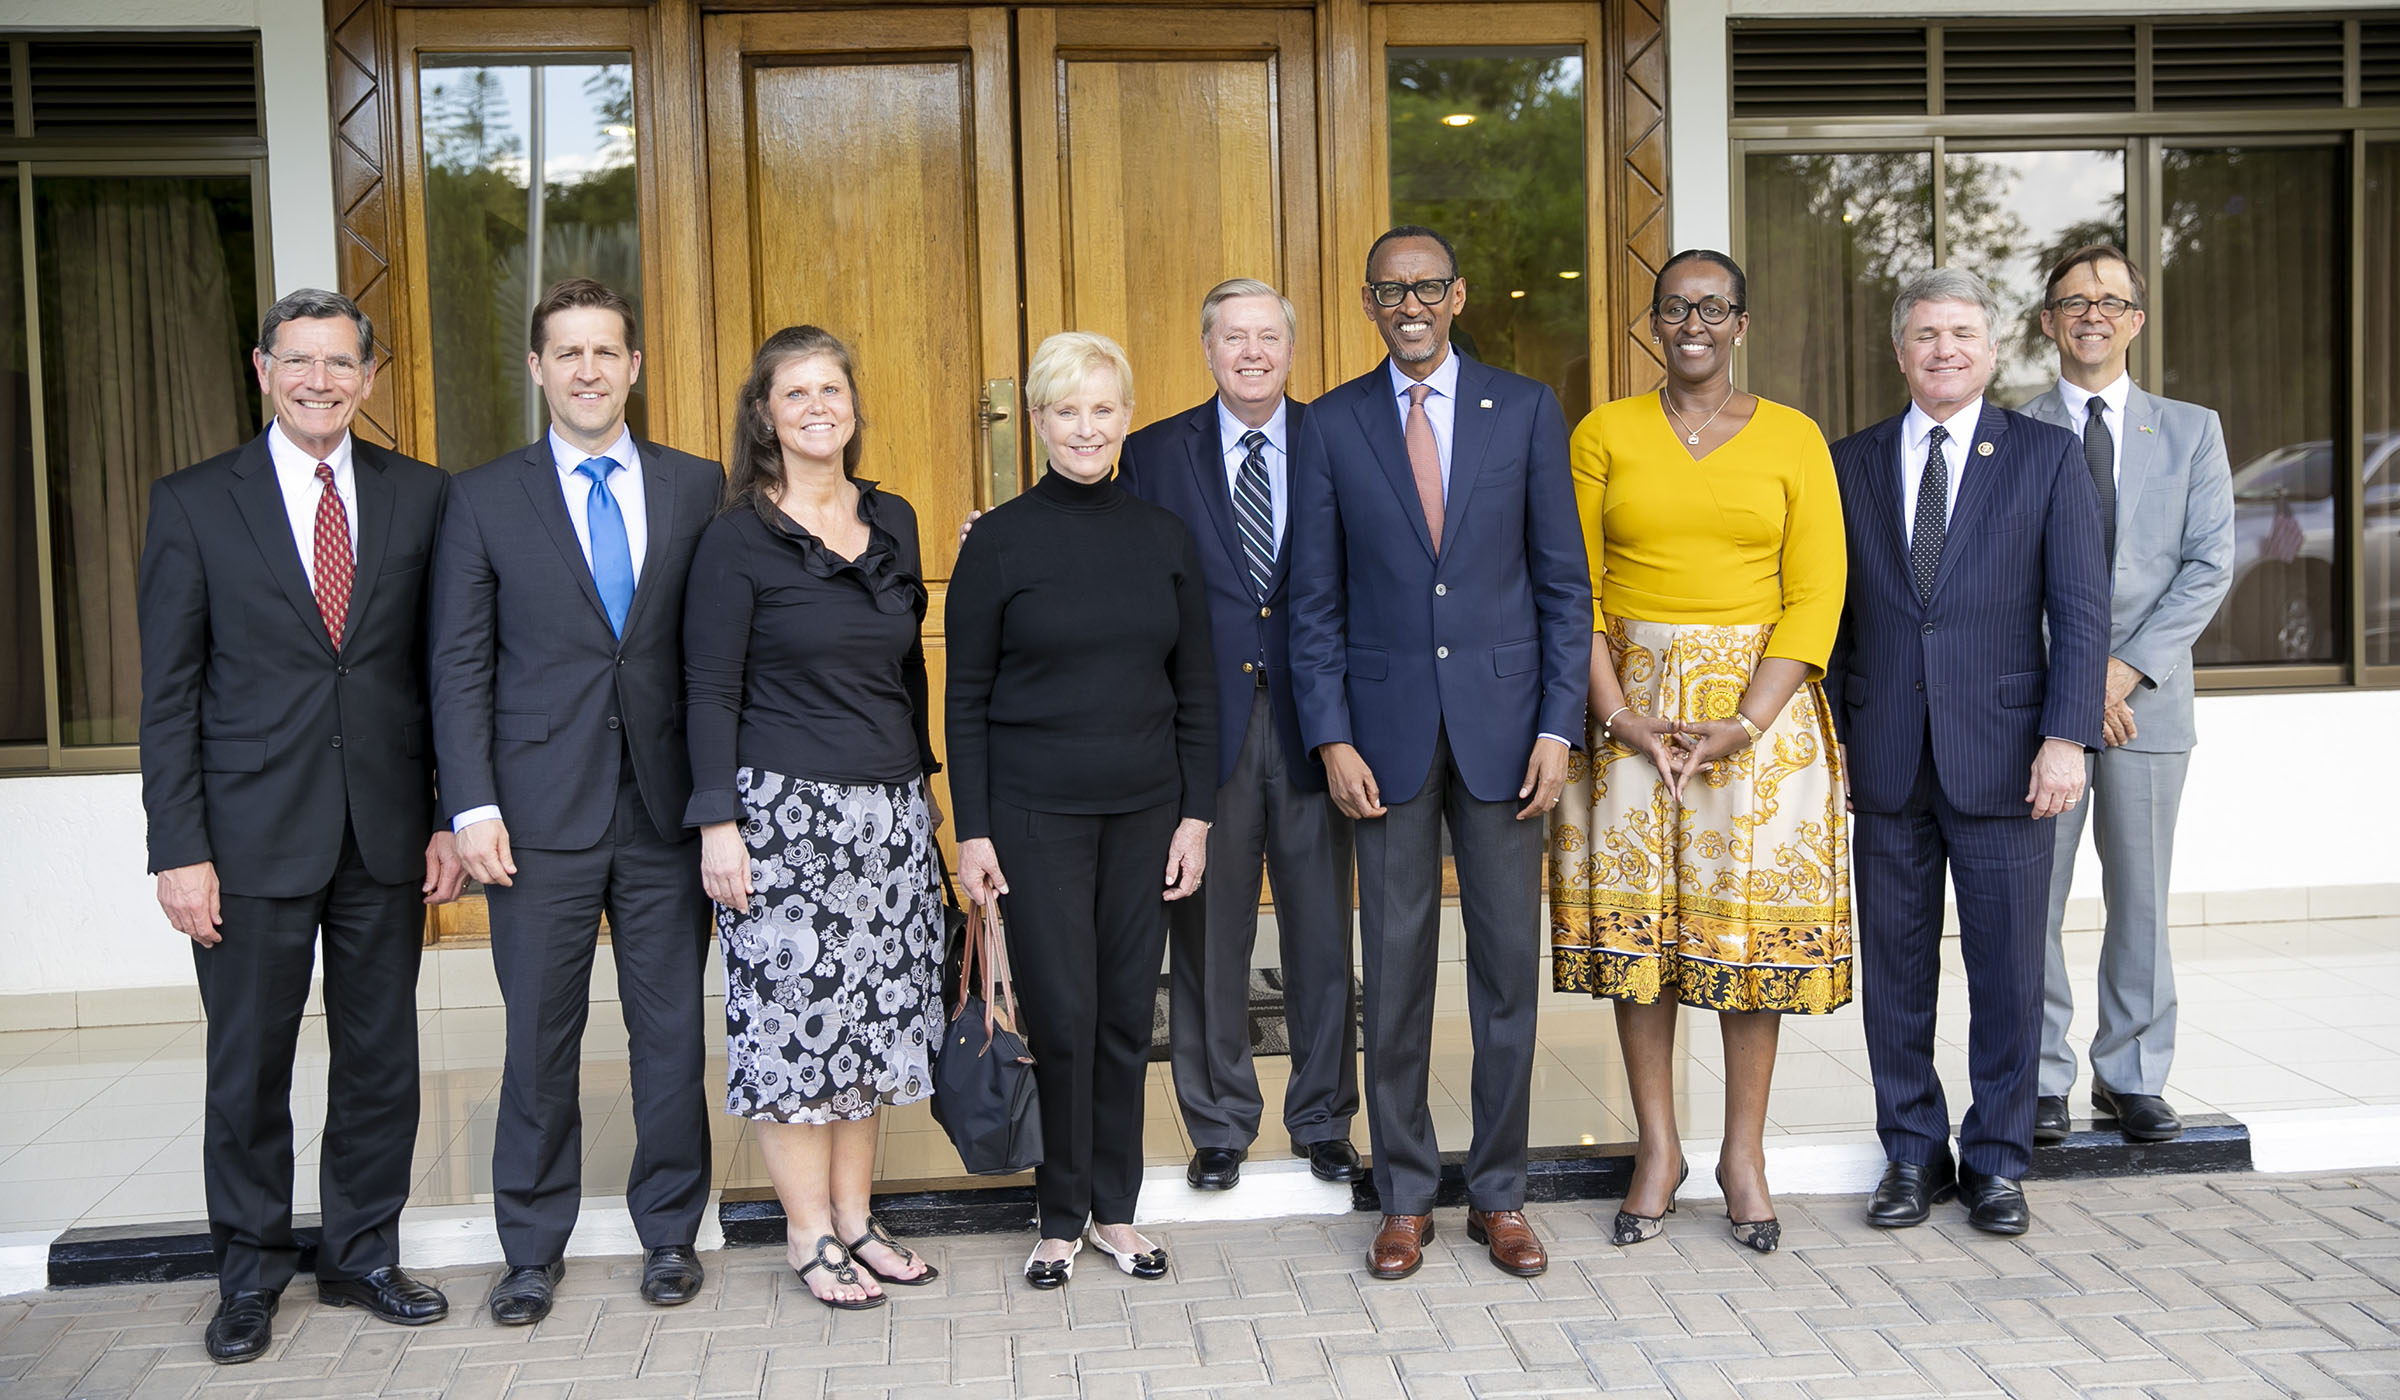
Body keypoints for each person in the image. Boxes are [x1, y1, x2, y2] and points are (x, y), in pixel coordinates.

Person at [138, 288, 465, 1363]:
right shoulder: (193, 503)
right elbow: (169, 692)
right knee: (249, 1068)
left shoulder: (421, 498)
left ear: (371, 379)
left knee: (381, 1058)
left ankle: (362, 1253)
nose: (320, 380)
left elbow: (439, 674)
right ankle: (247, 1274)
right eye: (299, 361)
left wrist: (444, 817)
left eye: (340, 363)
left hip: (383, 832)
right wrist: (177, 848)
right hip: (244, 842)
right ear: (262, 368)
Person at [1287, 225, 1591, 1282]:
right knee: (1400, 974)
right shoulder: (1330, 424)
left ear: (1458, 295)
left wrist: (1560, 724)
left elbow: (1563, 585)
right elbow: (1314, 600)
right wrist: (1329, 732)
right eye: (1389, 290)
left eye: (1426, 287)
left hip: (1511, 738)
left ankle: (1500, 1191)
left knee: (1509, 970)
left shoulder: (1527, 409)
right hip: (1385, 738)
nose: (1408, 304)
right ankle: (1406, 1196)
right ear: (1369, 303)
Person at [428, 278, 722, 1324]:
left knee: (670, 1033)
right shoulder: (483, 496)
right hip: (534, 816)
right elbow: (457, 662)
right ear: (538, 369)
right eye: (569, 352)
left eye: (607, 351)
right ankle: (530, 1247)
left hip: (662, 806)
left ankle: (671, 1231)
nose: (589, 369)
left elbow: (720, 647)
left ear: (634, 366)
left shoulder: (697, 485)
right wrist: (468, 804)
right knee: (538, 1038)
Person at [1550, 249, 1850, 1255]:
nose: (1693, 323)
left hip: (1756, 721)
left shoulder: (1795, 439)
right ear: (1652, 321)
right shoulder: (1604, 431)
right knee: (1647, 947)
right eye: (1675, 307)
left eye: (1712, 307)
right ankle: (1658, 1150)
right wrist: (1624, 716)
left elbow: (1815, 592)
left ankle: (1744, 1156)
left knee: (1744, 943)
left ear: (1741, 322)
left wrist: (1748, 718)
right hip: (1629, 710)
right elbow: (1575, 587)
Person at [1825, 267, 2109, 1237]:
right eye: (1925, 333)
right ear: (1899, 350)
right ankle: (1911, 1151)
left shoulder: (2044, 456)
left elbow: (2079, 609)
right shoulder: (1848, 462)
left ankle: (1995, 1159)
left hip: (2008, 757)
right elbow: (1830, 621)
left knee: (2007, 971)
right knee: (1896, 970)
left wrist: (2066, 736)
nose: (1944, 349)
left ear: (1992, 350)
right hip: (1888, 758)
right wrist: (1835, 740)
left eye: (1962, 333)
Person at [682, 326, 946, 1310]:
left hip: (889, 815)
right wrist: (718, 823)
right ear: (765, 414)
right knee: (796, 1030)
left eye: (830, 388)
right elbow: (707, 687)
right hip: (782, 816)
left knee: (871, 1029)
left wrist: (926, 803)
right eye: (794, 393)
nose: (815, 406)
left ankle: (856, 1218)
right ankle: (806, 1231)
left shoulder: (898, 518)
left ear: (852, 403)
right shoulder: (735, 538)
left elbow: (908, 665)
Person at [948, 331, 1216, 1290]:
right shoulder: (1000, 542)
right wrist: (970, 828)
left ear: (1127, 418)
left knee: (1117, 1020)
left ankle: (1117, 1212)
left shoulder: (1163, 538)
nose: (1087, 428)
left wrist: (1195, 819)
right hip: (1032, 816)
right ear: (1038, 421)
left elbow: (1199, 693)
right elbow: (965, 696)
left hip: (1146, 813)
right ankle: (1058, 1215)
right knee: (1059, 1017)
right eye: (1067, 410)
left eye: (1103, 409)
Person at [1119, 279, 1361, 1192]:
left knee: (1320, 936)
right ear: (1207, 349)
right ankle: (1218, 1123)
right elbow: (1102, 547)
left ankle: (1324, 1118)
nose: (1251, 352)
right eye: (1233, 338)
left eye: (1268, 337)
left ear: (1291, 350)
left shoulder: (1337, 441)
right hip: (1201, 728)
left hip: (1317, 726)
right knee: (1208, 939)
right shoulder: (1152, 454)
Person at [2021, 247, 2234, 1147]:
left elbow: (2207, 566)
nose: (2092, 315)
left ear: (2137, 321)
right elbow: (2000, 581)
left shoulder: (2192, 430)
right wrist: (2075, 681)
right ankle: (2037, 1078)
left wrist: (2118, 672)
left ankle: (2133, 1076)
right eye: (2074, 302)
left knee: (2140, 898)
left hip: (2148, 703)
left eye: (2111, 301)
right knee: (2032, 897)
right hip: (2040, 710)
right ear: (2047, 324)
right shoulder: (2012, 431)